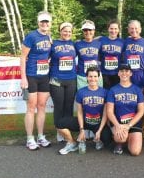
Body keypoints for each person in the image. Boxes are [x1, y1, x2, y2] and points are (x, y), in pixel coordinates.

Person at [56, 67, 111, 155]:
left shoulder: (105, 92)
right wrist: (81, 130)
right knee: (59, 124)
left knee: (108, 140)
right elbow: (80, 112)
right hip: (84, 121)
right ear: (86, 77)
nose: (92, 79)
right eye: (90, 76)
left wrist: (100, 131)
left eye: (95, 76)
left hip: (98, 123)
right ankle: (72, 143)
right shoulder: (81, 92)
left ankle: (98, 140)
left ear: (99, 77)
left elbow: (105, 114)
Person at [20, 11, 52, 150]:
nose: (44, 24)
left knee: (42, 106)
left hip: (44, 76)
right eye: (42, 21)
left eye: (47, 22)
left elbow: (47, 55)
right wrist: (23, 78)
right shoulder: (31, 36)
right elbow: (22, 57)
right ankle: (29, 138)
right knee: (31, 107)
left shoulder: (49, 37)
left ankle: (40, 136)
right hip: (31, 75)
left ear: (50, 23)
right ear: (38, 22)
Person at [106, 64, 144, 156]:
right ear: (118, 73)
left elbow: (141, 111)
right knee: (121, 138)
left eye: (127, 71)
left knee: (135, 152)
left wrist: (129, 125)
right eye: (122, 71)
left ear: (131, 73)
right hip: (118, 123)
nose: (124, 73)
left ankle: (130, 137)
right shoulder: (113, 90)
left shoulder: (137, 90)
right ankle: (119, 143)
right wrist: (117, 125)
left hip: (133, 123)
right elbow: (109, 111)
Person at [49, 22, 77, 142]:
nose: (67, 33)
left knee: (69, 106)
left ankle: (67, 130)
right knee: (59, 106)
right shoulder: (53, 43)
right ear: (60, 31)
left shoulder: (74, 44)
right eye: (65, 31)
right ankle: (59, 131)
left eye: (69, 31)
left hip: (71, 79)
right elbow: (43, 55)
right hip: (56, 79)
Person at [75, 20, 102, 139]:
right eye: (85, 30)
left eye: (90, 30)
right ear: (82, 32)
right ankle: (85, 128)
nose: (88, 32)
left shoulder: (99, 43)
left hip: (97, 76)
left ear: (94, 31)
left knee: (97, 102)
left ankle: (96, 128)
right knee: (85, 102)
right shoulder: (77, 44)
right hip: (82, 77)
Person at [122, 20, 144, 87]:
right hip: (126, 74)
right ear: (128, 30)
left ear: (140, 29)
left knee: (140, 95)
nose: (134, 30)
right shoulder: (125, 42)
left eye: (136, 28)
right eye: (132, 28)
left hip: (140, 74)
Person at [99, 20, 124, 89]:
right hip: (104, 73)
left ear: (119, 30)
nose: (113, 31)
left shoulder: (122, 42)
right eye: (111, 28)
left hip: (117, 74)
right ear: (108, 29)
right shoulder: (101, 40)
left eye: (116, 29)